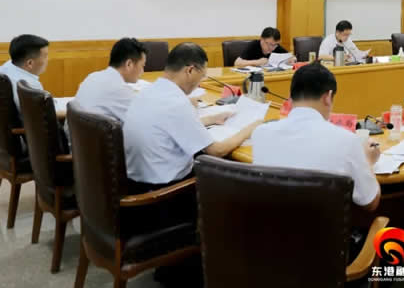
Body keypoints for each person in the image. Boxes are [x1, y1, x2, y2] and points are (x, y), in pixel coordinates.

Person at [123, 43, 259, 187]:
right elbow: (216, 150)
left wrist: (211, 119)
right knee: (236, 177)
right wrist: (250, 129)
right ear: (190, 70)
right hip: (166, 190)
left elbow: (170, 124)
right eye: (202, 76)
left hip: (135, 181)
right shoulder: (177, 102)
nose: (200, 82)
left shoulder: (148, 91)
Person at [252, 63, 380, 211]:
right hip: (325, 226)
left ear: (290, 97)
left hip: (269, 224)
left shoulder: (260, 133)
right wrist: (368, 161)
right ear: (328, 97)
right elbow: (370, 202)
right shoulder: (347, 141)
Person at [68, 38, 147, 145]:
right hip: (98, 150)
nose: (143, 71)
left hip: (80, 147)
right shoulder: (119, 89)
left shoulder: (92, 77)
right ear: (129, 64)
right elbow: (143, 121)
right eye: (142, 66)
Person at [0, 34, 52, 116]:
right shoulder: (29, 85)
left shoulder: (4, 67)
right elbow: (41, 116)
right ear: (30, 63)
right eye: (45, 56)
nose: (48, 59)